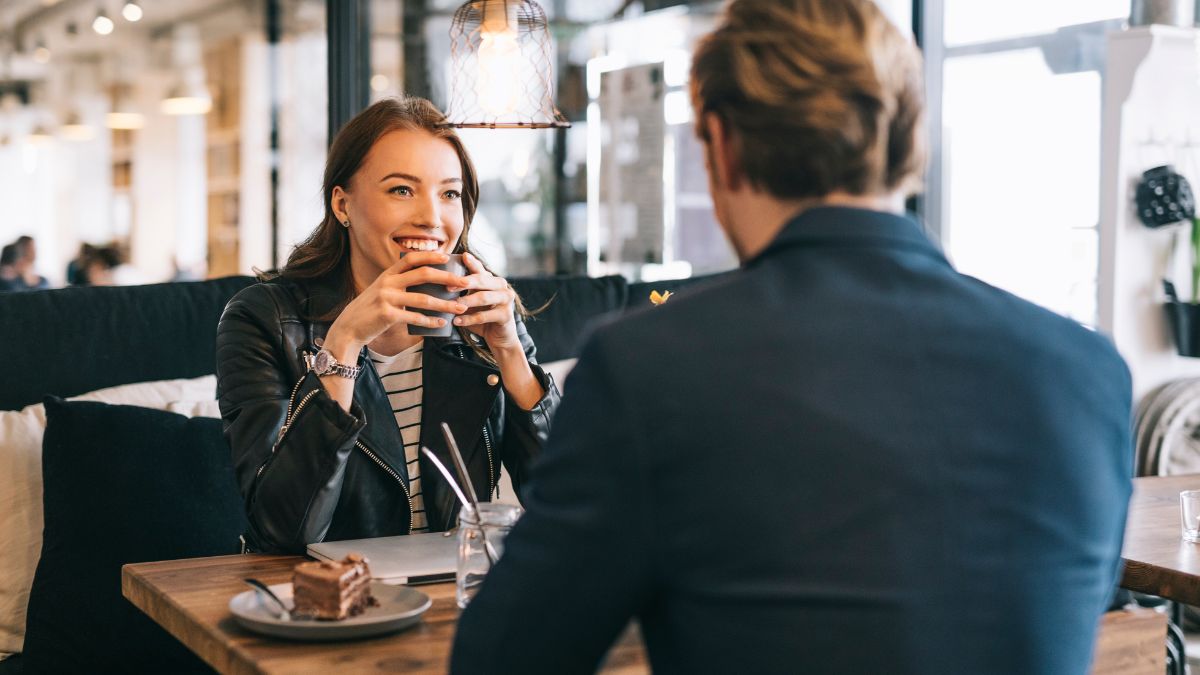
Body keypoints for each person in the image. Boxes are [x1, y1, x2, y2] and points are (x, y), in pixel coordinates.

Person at [451, 1, 1132, 673]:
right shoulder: (1087, 371)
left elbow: (506, 655)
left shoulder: (648, 368)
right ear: (910, 138)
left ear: (720, 145)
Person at [216, 97, 560, 554]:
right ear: (343, 204)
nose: (431, 218)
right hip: (327, 588)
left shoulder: (482, 311)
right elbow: (284, 531)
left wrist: (510, 352)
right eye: (402, 190)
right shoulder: (263, 319)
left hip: (453, 579)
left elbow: (567, 500)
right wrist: (343, 343)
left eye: (449, 194)